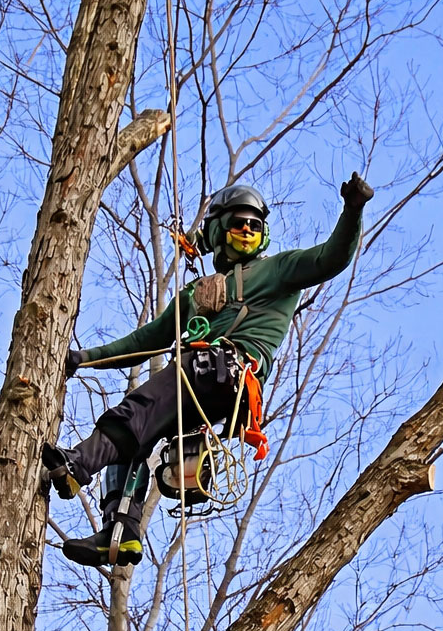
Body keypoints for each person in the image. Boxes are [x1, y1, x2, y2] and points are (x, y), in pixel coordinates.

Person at [44, 172, 374, 567]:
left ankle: (77, 465)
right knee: (138, 438)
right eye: (239, 223)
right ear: (220, 230)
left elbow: (330, 257)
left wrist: (352, 211)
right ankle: (121, 533)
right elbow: (147, 341)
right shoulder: (197, 293)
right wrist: (85, 359)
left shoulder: (279, 271)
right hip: (204, 377)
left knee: (138, 409)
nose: (248, 230)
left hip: (225, 371)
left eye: (255, 224)